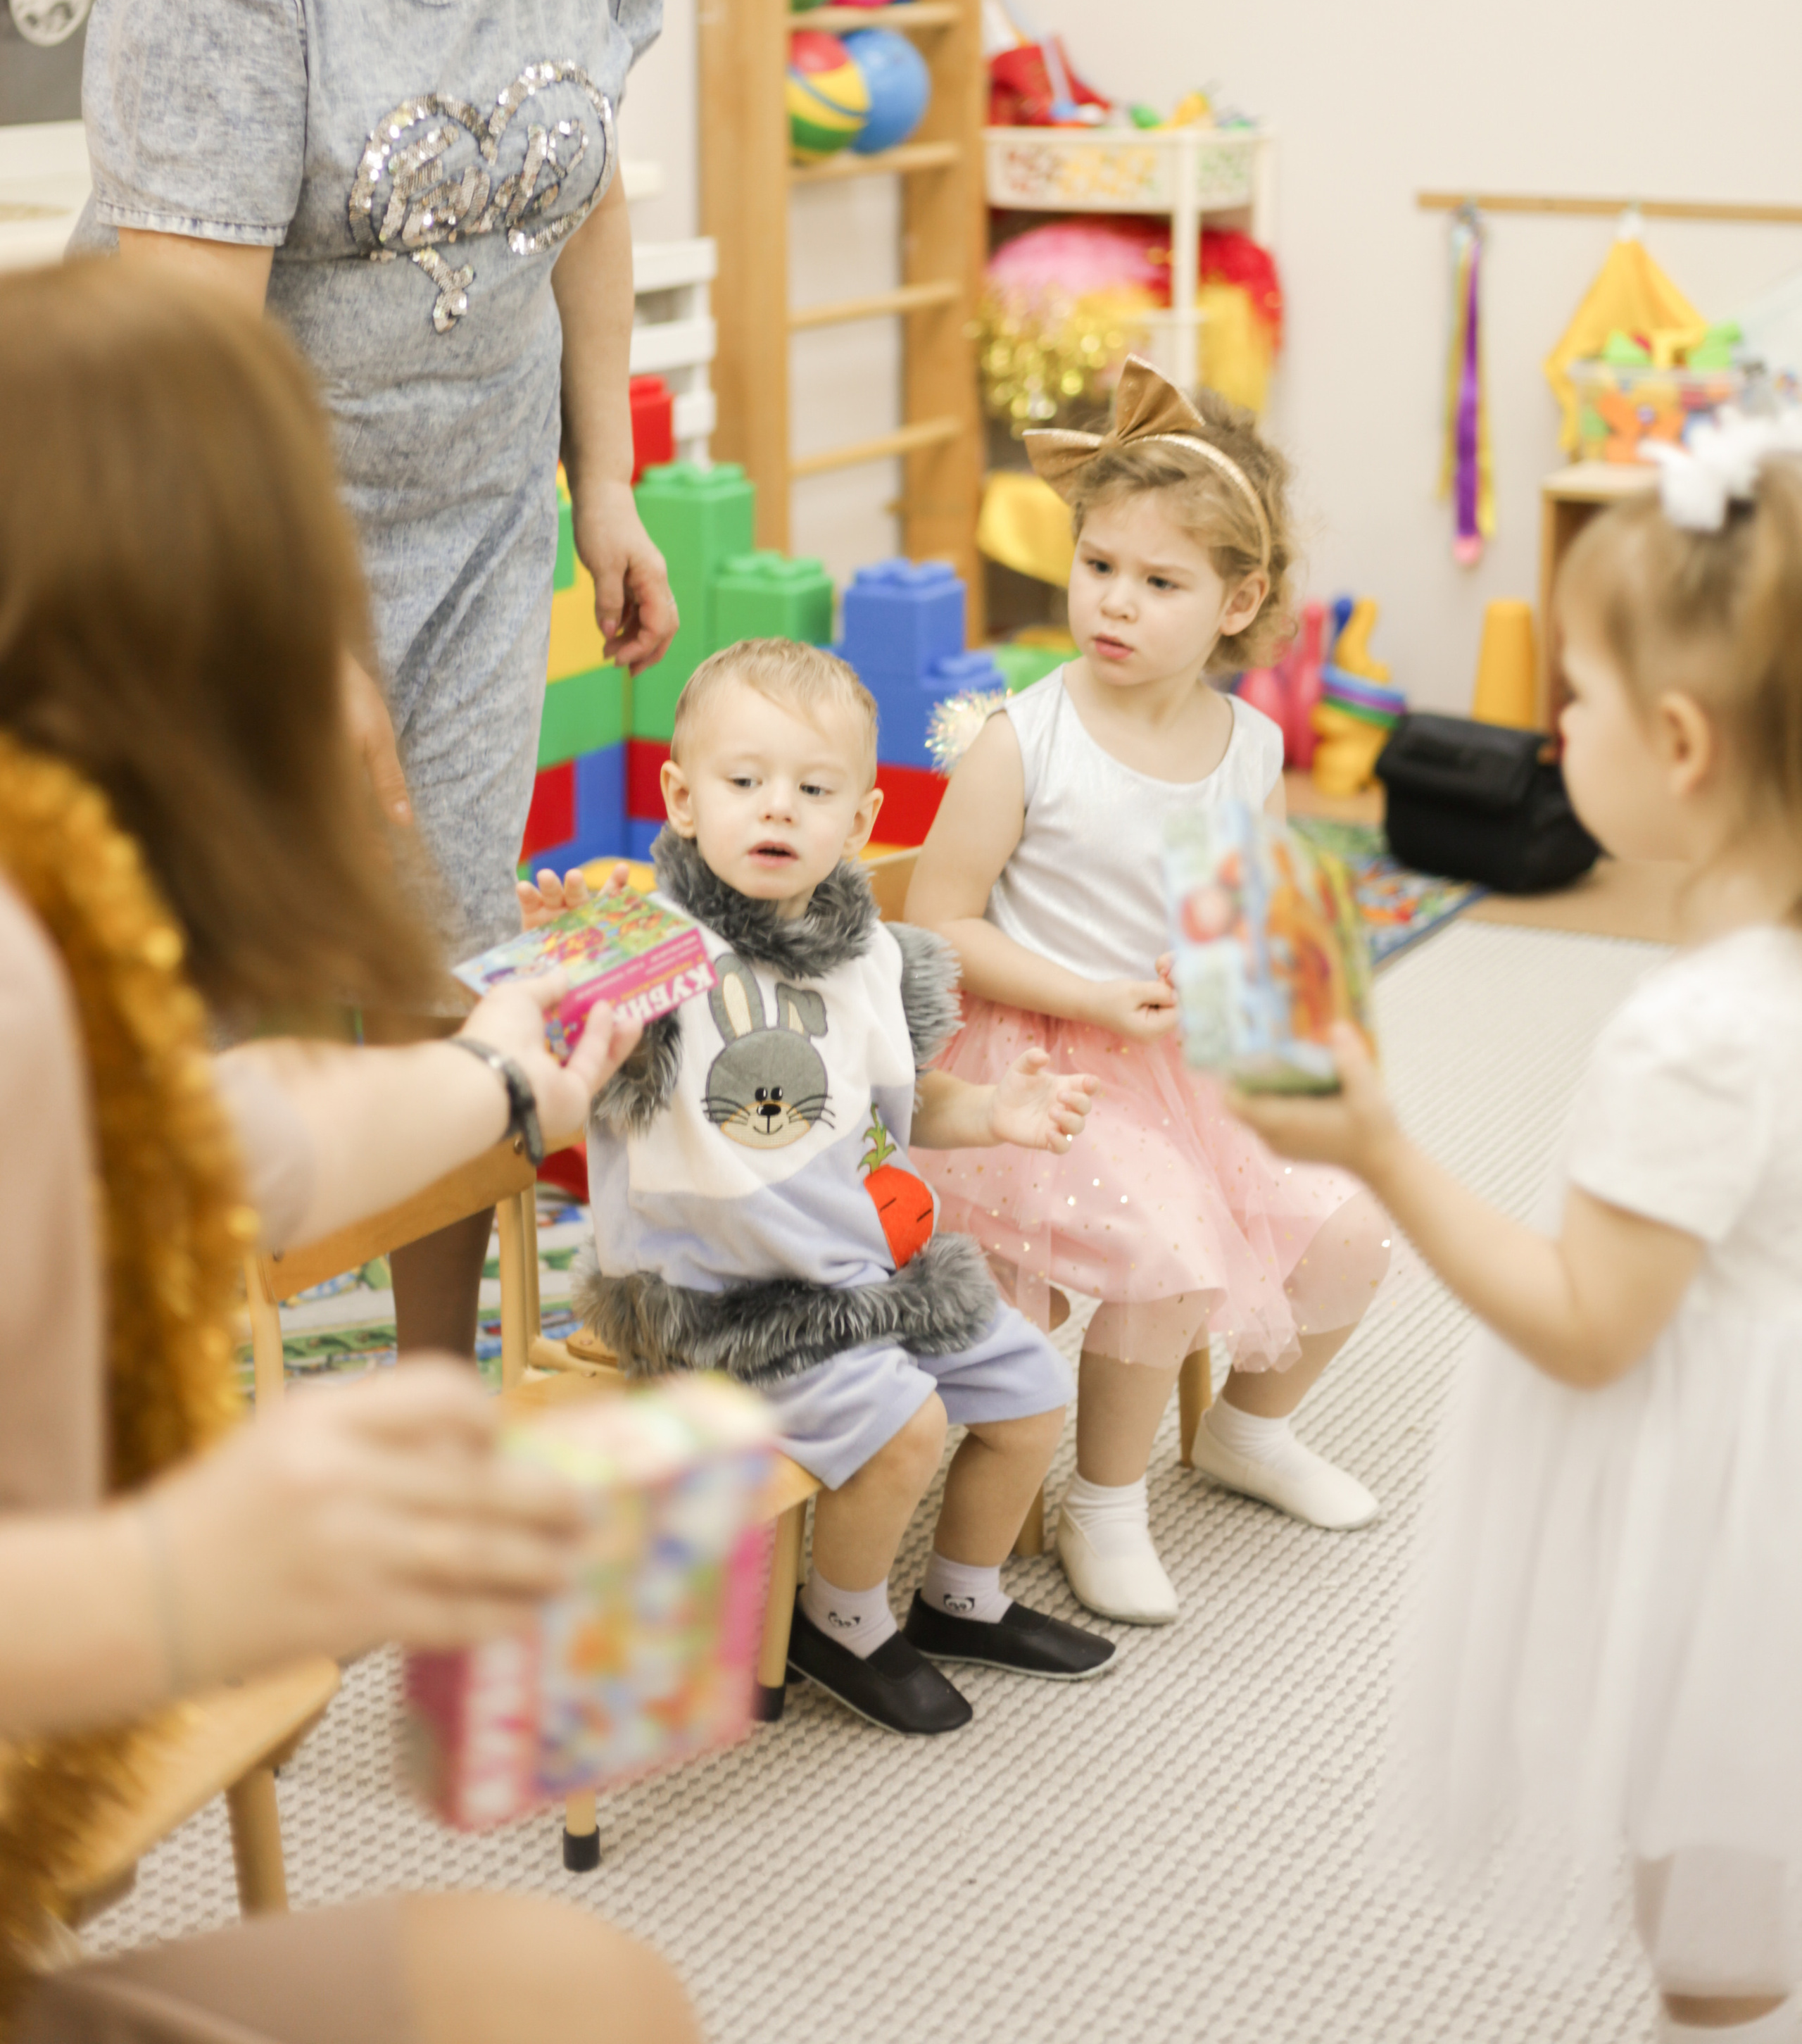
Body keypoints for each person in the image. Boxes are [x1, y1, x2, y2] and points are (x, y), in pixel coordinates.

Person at [0, 262, 694, 2044]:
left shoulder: (66, 945)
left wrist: (506, 1075)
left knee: (575, 1992)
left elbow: (240, 1139)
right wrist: (187, 1582)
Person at [73, 0, 676, 1362]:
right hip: (229, 544)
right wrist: (313, 643)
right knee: (233, 979)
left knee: (450, 970)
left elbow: (581, 185)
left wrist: (608, 480)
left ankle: (434, 1404)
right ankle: (197, 1432)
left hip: (481, 519)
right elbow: (194, 371)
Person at [1235, 415, 1802, 2040]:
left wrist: (1381, 1151)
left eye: (1574, 697)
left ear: (1679, 742)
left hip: (1730, 1505)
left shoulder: (1692, 1031)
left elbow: (1585, 1320)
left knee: (1707, 1906)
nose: (1549, 729)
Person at [527, 639, 1116, 1736]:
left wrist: (996, 1115)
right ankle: (839, 1622)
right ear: (683, 796)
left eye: (812, 789)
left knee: (1031, 1390)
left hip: (857, 1270)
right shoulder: (647, 951)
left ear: (860, 822)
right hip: (716, 1303)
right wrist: (559, 974)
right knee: (906, 1426)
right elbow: (560, 1073)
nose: (776, 810)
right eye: (743, 782)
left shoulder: (871, 960)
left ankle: (961, 1599)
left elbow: (896, 1107)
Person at [906, 358, 1392, 1626]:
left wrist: (1246, 998)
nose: (1113, 603)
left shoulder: (1253, 749)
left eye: (1159, 582)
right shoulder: (1032, 736)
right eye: (1098, 565)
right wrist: (1092, 993)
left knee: (1349, 1226)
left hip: (1180, 1060)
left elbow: (1262, 927)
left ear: (1240, 601)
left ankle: (1243, 1429)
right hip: (1034, 1071)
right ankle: (1102, 1502)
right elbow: (938, 919)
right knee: (1171, 1242)